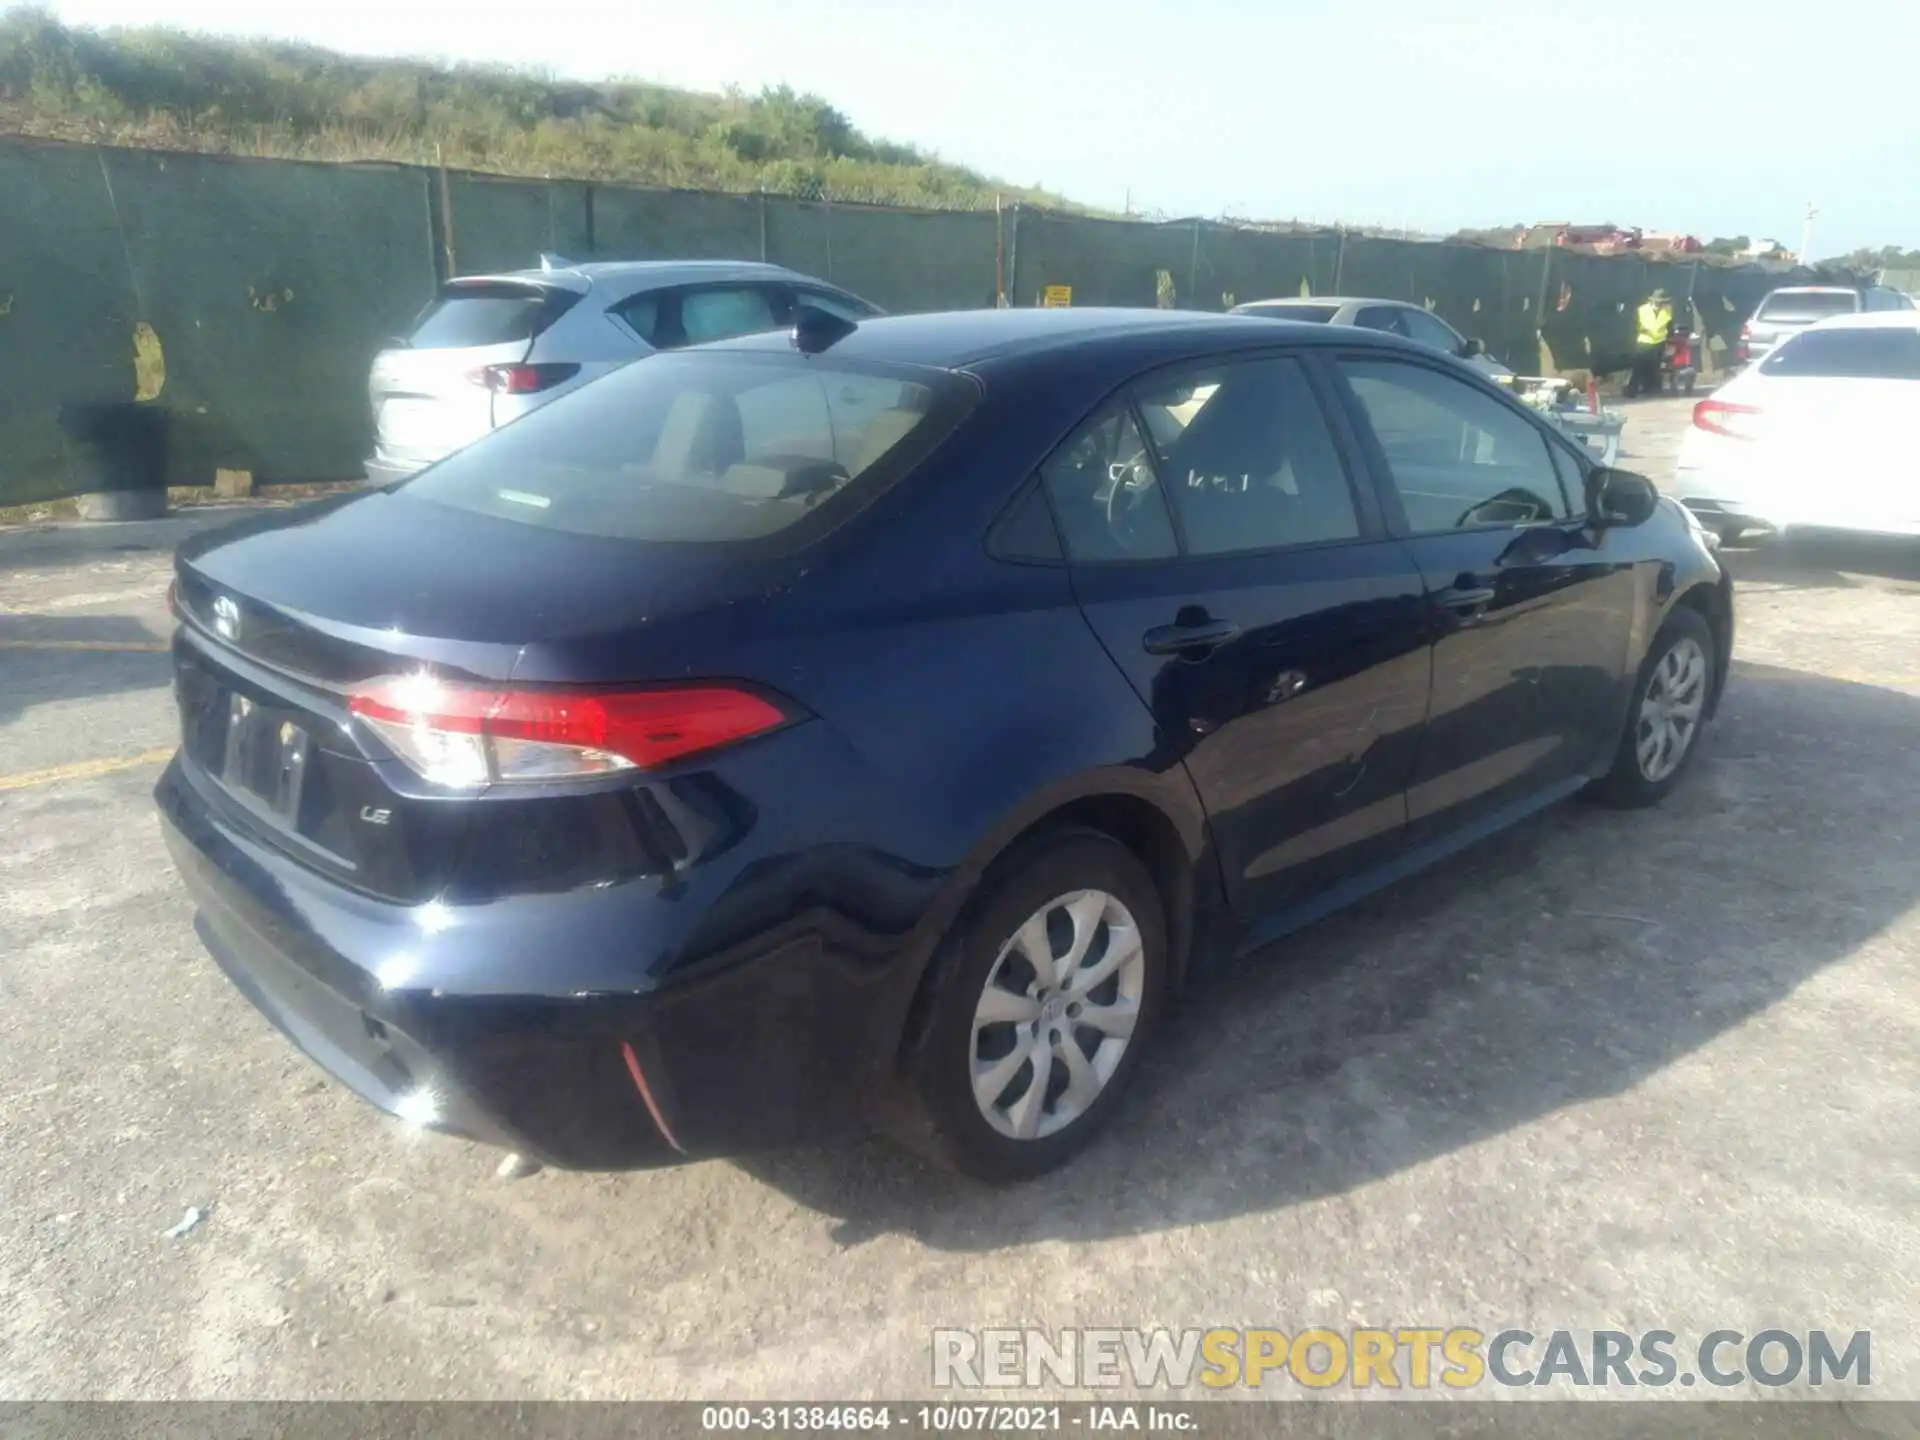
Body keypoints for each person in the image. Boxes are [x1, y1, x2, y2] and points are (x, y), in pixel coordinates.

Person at [1627, 288, 1674, 397]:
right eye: (1658, 301)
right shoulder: (1642, 310)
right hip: (1644, 340)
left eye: (1662, 301)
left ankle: (1650, 388)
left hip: (1659, 341)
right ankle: (1631, 390)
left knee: (1654, 367)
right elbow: (1634, 324)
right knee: (1638, 367)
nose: (1660, 303)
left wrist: (1669, 340)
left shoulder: (1668, 309)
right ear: (1652, 300)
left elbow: (1669, 325)